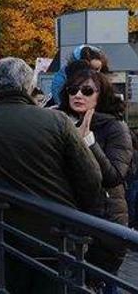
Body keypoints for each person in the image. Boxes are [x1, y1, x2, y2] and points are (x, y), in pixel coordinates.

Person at [0, 58, 102, 293]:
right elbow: (92, 178)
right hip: (56, 233)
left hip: (4, 229)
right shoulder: (57, 121)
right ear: (29, 86)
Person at [57, 68, 132, 285]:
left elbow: (115, 176)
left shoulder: (115, 127)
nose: (78, 95)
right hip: (69, 216)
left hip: (105, 219)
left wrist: (88, 141)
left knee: (98, 282)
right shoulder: (61, 122)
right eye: (73, 90)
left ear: (101, 95)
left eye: (87, 90)